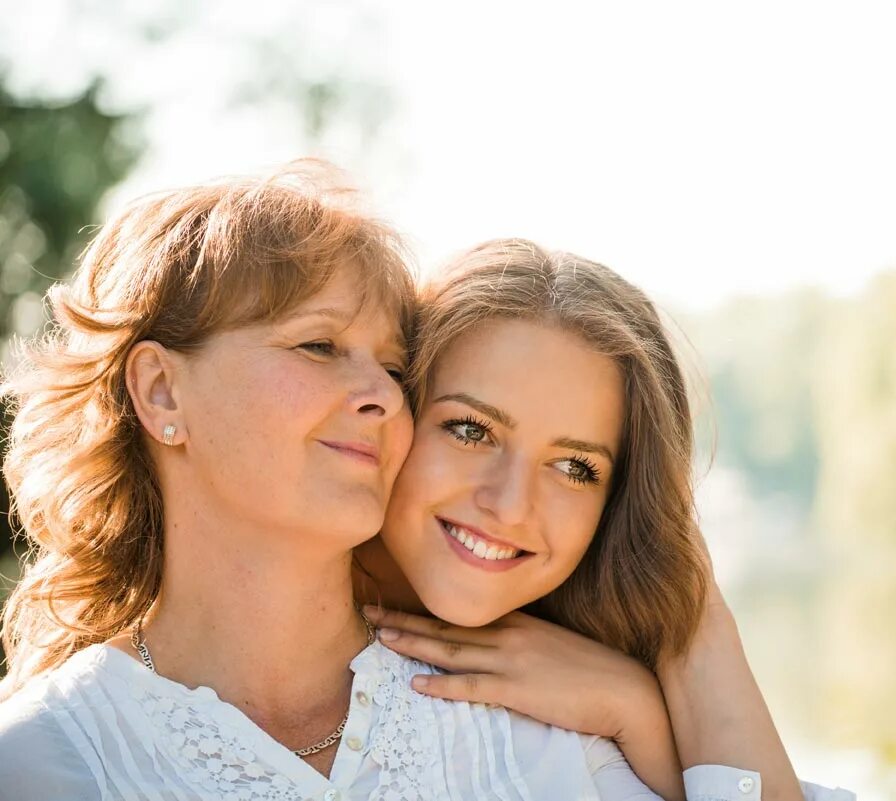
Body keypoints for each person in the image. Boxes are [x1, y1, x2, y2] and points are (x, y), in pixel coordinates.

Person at [0, 166, 701, 800]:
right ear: (161, 392)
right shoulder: (40, 763)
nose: (385, 397)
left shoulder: (551, 739)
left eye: (396, 370)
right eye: (319, 345)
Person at [353, 239, 853, 801]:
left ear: (616, 501)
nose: (512, 504)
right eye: (472, 430)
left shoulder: (583, 730)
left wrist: (682, 634)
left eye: (574, 467)